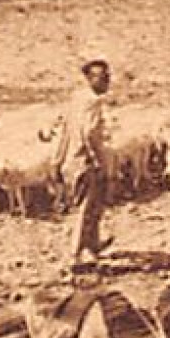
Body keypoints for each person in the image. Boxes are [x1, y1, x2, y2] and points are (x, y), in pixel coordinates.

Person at [54, 57, 114, 273]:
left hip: (72, 160)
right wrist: (97, 160)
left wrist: (58, 161)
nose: (107, 81)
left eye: (108, 76)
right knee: (86, 208)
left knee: (93, 206)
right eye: (102, 77)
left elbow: (66, 130)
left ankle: (93, 246)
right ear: (90, 79)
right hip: (86, 162)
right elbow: (88, 133)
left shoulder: (76, 99)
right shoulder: (92, 102)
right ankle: (75, 257)